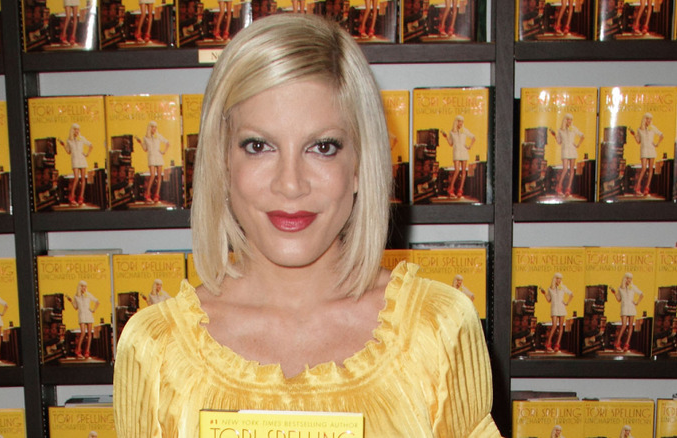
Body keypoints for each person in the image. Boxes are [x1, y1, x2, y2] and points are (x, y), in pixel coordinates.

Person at [114, 14, 500, 437]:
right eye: (259, 146)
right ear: (222, 162)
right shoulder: (154, 348)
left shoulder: (438, 328)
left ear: (359, 165)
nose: (291, 184)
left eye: (323, 147)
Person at [441, 114, 475, 198]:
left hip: (464, 151)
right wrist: (446, 137)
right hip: (456, 151)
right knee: (457, 170)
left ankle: (460, 190)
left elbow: (473, 138)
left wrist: (469, 146)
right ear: (456, 122)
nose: (461, 123)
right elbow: (451, 144)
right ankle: (450, 188)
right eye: (460, 121)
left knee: (463, 172)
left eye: (462, 122)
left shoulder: (464, 130)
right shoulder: (452, 132)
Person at [134, 121, 169, 203]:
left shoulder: (158, 136)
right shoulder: (145, 138)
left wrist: (163, 152)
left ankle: (157, 195)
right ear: (149, 128)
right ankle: (147, 194)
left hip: (158, 156)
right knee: (152, 175)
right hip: (151, 157)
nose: (154, 129)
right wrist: (140, 143)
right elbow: (145, 149)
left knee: (159, 176)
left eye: (155, 127)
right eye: (153, 127)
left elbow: (167, 143)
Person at [628, 113, 662, 196]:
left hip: (651, 150)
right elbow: (638, 141)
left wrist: (657, 144)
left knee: (650, 169)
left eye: (650, 119)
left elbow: (662, 135)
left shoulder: (653, 128)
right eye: (647, 119)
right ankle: (637, 188)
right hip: (644, 150)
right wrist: (634, 135)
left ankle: (647, 188)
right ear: (644, 119)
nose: (649, 121)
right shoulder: (639, 129)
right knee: (643, 168)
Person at [549, 113, 583, 197]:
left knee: (571, 170)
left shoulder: (574, 129)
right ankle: (559, 187)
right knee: (565, 169)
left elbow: (582, 136)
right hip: (565, 150)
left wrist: (578, 145)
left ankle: (568, 189)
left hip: (572, 150)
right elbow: (559, 142)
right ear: (565, 120)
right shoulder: (560, 130)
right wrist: (554, 136)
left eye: (571, 119)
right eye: (568, 119)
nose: (570, 121)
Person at [58, 124, 93, 206]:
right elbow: (68, 152)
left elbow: (91, 145)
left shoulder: (81, 138)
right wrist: (63, 145)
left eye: (78, 129)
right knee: (76, 178)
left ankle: (81, 198)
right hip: (75, 160)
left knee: (83, 179)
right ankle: (72, 197)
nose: (77, 131)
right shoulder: (69, 140)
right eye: (75, 129)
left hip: (82, 159)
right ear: (72, 130)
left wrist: (87, 154)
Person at [540, 273, 573, 353]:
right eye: (558, 278)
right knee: (554, 325)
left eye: (560, 279)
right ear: (554, 279)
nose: (559, 280)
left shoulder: (563, 287)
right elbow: (548, 300)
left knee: (561, 327)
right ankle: (548, 344)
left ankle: (557, 345)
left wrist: (567, 303)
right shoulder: (550, 289)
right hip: (554, 308)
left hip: (561, 308)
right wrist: (544, 294)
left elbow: (571, 294)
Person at [610, 272, 643, 353]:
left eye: (631, 278)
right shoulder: (620, 288)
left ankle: (626, 344)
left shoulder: (633, 287)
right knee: (624, 325)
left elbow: (642, 294)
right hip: (624, 307)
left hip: (631, 307)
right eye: (628, 278)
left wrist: (637, 302)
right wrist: (614, 293)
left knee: (631, 326)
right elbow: (618, 299)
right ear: (625, 278)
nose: (629, 280)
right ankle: (617, 343)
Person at [66, 280, 99, 359]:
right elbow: (75, 307)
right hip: (81, 315)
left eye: (85, 286)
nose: (84, 288)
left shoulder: (88, 295)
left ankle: (87, 352)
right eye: (83, 286)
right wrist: (70, 301)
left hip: (88, 315)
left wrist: (93, 310)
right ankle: (78, 351)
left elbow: (97, 301)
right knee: (83, 333)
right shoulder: (76, 296)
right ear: (80, 287)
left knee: (89, 334)